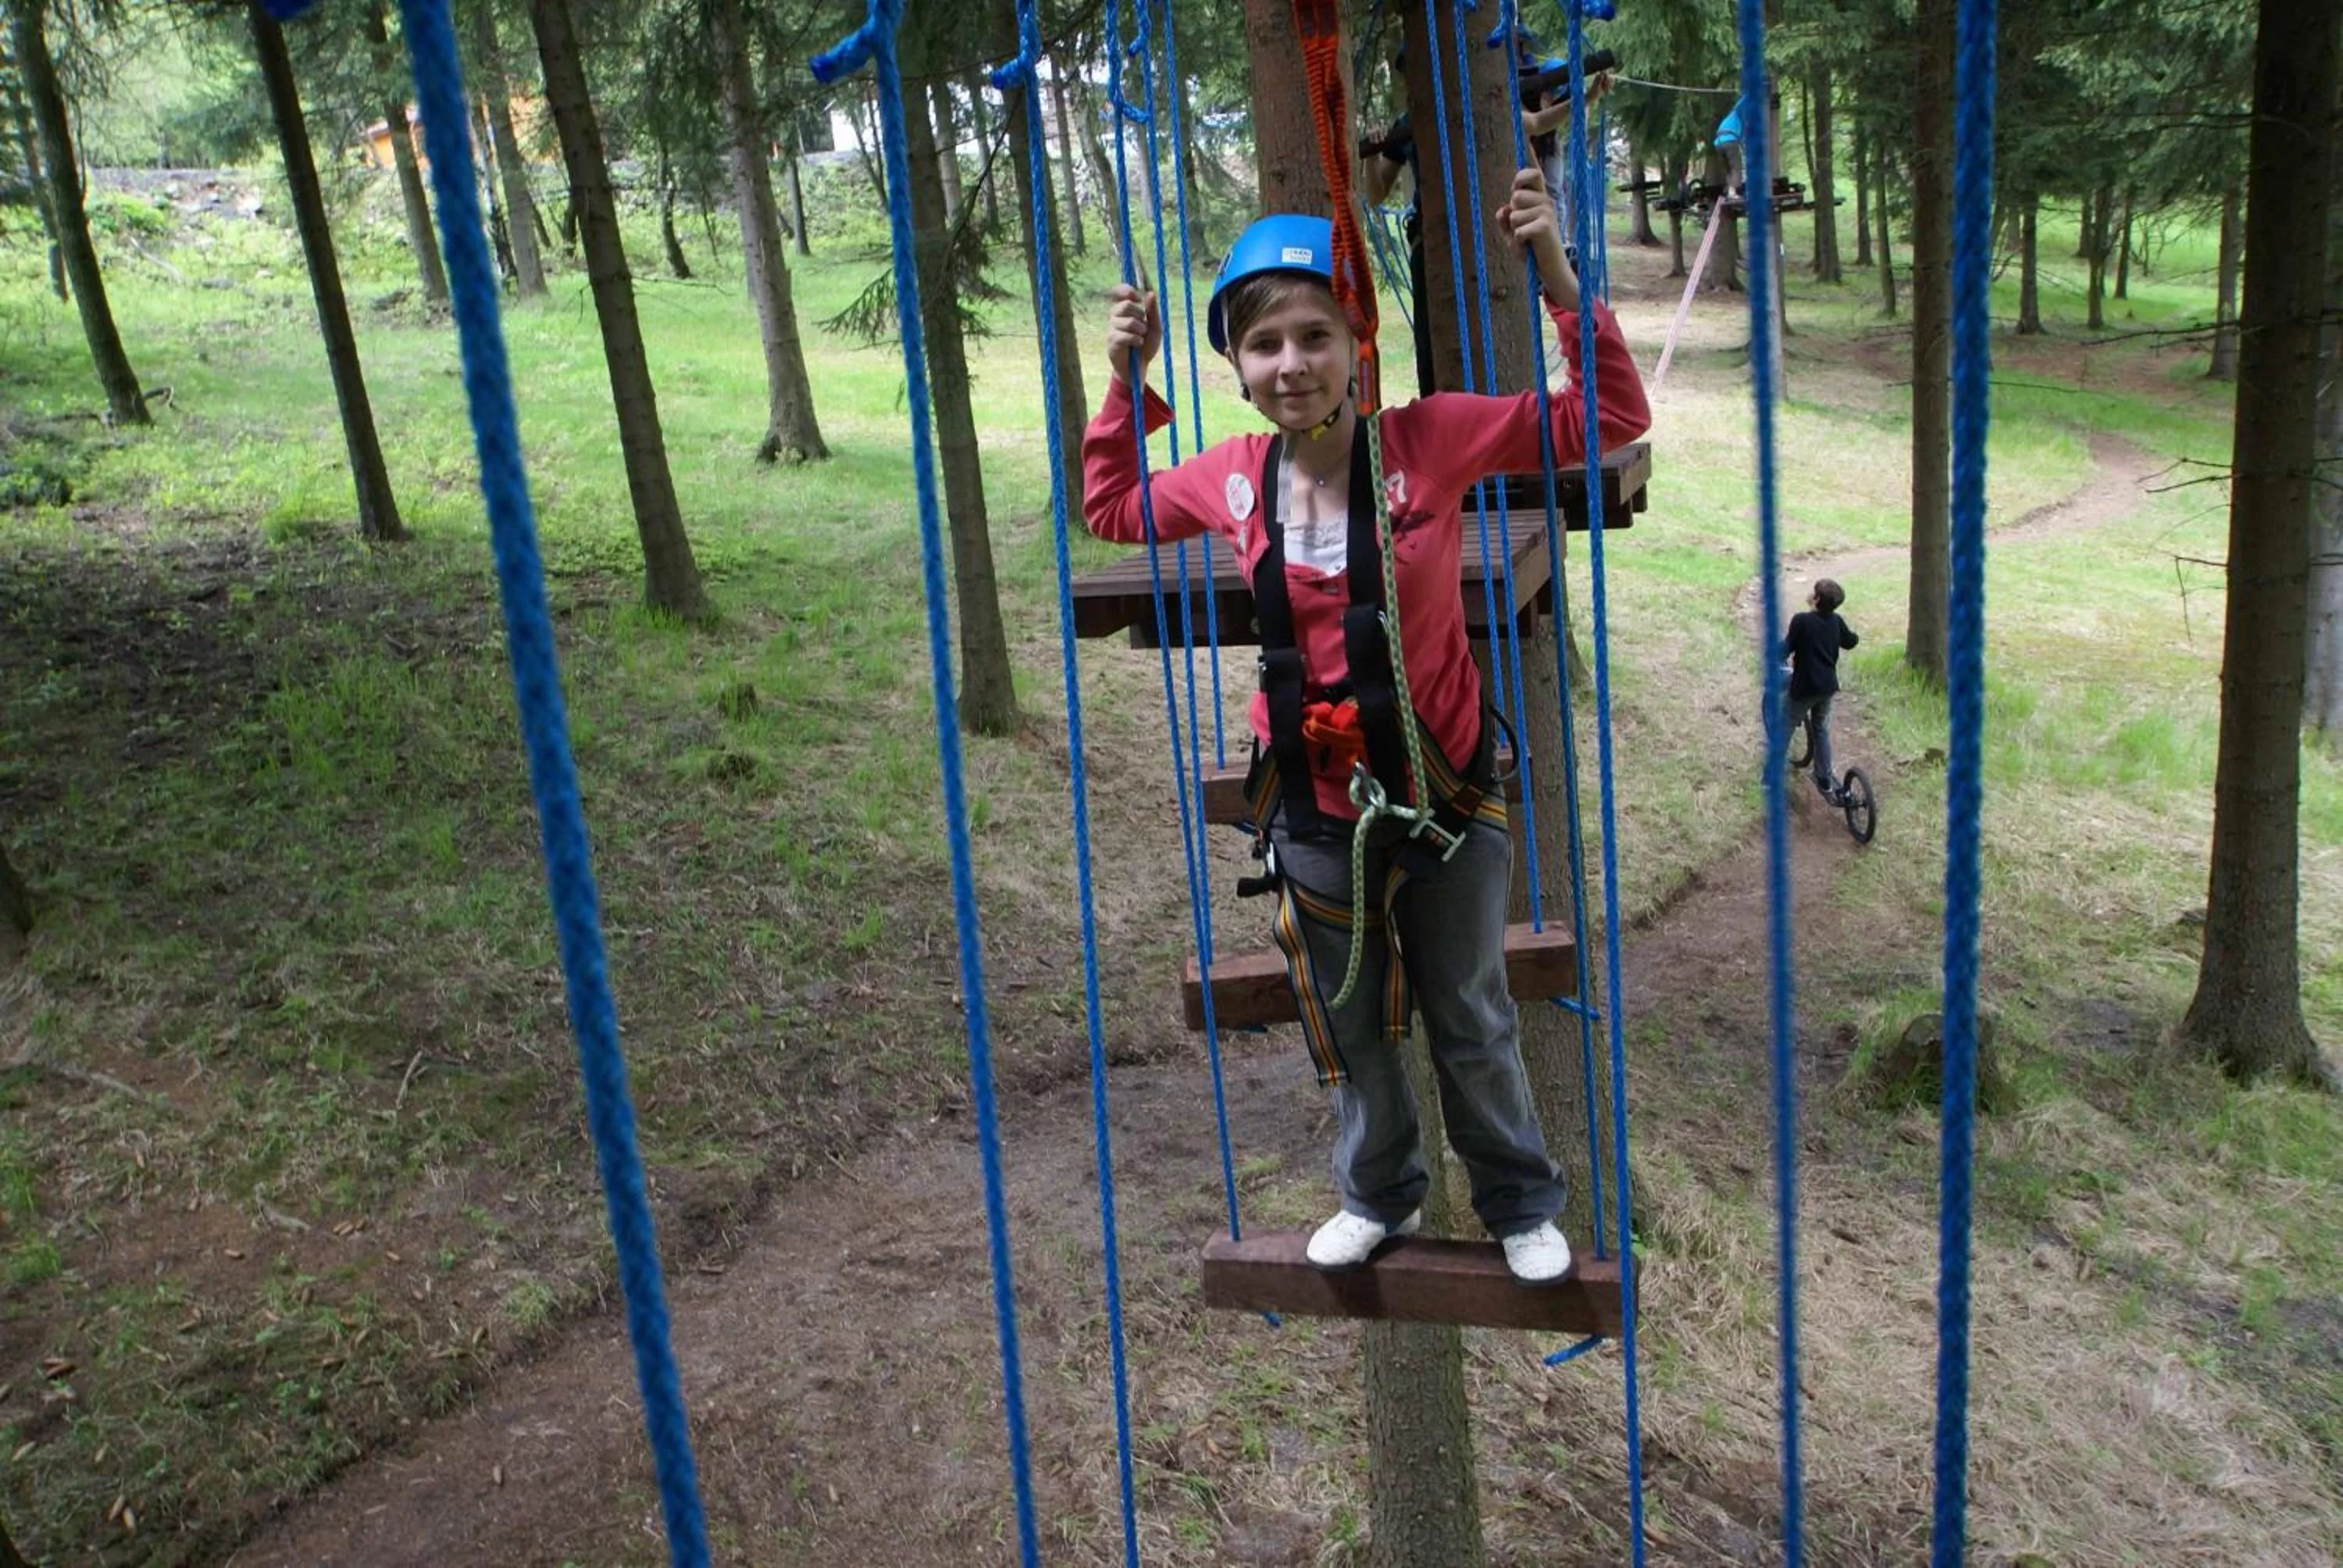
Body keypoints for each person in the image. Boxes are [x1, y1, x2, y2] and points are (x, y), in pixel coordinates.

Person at [1080, 167, 1651, 1281]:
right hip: (1312, 805)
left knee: (1471, 1013)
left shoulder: (1427, 444)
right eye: (1264, 346)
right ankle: (1379, 1193)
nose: (1290, 363)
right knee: (1348, 1023)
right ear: (1240, 372)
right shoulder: (1232, 479)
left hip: (1440, 795)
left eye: (1313, 335)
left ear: (1356, 347)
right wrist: (1122, 378)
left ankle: (1520, 1202)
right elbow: (1112, 508)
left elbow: (1608, 419)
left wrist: (1554, 268)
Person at [1782, 579, 1860, 803]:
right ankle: (1824, 778)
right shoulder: (1836, 621)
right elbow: (1850, 642)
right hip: (1827, 687)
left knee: (1785, 725)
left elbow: (1788, 647)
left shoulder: (1801, 621)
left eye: (1813, 591)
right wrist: (1853, 636)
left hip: (1805, 686)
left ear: (1816, 599)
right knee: (1821, 729)